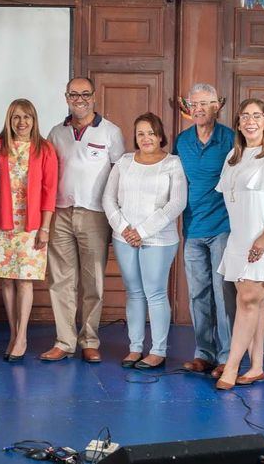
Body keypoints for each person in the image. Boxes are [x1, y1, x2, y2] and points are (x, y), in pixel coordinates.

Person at [41, 77, 125, 362]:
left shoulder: (111, 132)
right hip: (60, 213)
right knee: (61, 281)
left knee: (94, 281)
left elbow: (118, 176)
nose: (79, 99)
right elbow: (47, 175)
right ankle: (64, 341)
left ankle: (90, 340)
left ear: (94, 96)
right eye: (73, 94)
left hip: (95, 214)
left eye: (84, 94)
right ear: (66, 98)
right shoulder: (56, 133)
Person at [103, 112, 187, 369]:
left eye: (151, 132)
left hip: (159, 239)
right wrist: (125, 228)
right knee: (134, 293)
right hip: (124, 237)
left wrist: (143, 231)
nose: (146, 138)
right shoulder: (124, 162)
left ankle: (158, 350)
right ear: (135, 138)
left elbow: (177, 203)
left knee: (155, 293)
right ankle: (135, 348)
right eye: (141, 133)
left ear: (160, 135)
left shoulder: (172, 163)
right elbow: (108, 199)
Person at [215, 98, 264, 390]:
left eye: (257, 115)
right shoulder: (233, 156)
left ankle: (231, 368)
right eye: (245, 116)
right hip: (239, 239)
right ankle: (256, 367)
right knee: (256, 303)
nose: (250, 121)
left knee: (247, 301)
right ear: (238, 123)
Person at [0, 99, 57, 361]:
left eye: (27, 117)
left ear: (34, 120)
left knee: (24, 281)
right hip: (2, 222)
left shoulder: (45, 149)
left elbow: (49, 191)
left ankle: (23, 336)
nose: (21, 122)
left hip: (31, 226)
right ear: (9, 120)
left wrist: (45, 227)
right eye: (16, 117)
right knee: (6, 280)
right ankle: (13, 333)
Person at [174, 83, 235, 379]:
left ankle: (227, 357)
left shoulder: (231, 139)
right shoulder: (182, 141)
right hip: (193, 228)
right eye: (194, 104)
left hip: (224, 227)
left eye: (205, 103)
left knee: (223, 295)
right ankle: (204, 354)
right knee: (198, 294)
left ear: (217, 106)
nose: (199, 109)